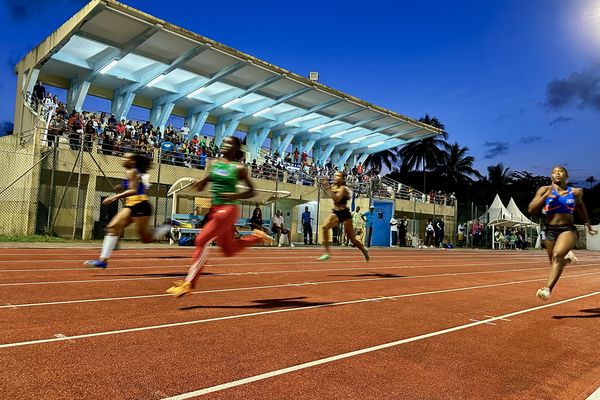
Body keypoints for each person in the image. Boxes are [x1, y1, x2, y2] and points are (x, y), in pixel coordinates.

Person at [167, 136, 273, 297]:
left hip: (229, 209)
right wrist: (200, 183)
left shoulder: (239, 168)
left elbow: (252, 191)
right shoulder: (214, 163)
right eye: (223, 142)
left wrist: (232, 195)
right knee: (228, 250)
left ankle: (189, 283)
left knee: (201, 240)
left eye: (228, 143)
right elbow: (208, 178)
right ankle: (256, 236)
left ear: (236, 148)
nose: (224, 145)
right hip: (215, 209)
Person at [83, 153, 174, 268]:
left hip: (140, 206)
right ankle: (103, 260)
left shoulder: (132, 171)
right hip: (131, 206)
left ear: (132, 161)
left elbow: (134, 190)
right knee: (112, 228)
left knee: (146, 239)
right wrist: (120, 188)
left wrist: (114, 196)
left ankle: (166, 227)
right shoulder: (132, 171)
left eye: (126, 158)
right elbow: (134, 186)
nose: (123, 159)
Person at [528, 165, 597, 300]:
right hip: (550, 230)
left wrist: (587, 222)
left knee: (557, 255)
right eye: (554, 172)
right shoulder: (544, 190)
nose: (557, 173)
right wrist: (545, 196)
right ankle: (566, 260)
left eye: (560, 171)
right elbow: (531, 209)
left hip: (568, 229)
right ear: (551, 177)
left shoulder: (576, 192)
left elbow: (580, 205)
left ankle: (547, 289)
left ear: (566, 176)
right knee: (554, 261)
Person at [317, 172, 369, 261]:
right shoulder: (334, 187)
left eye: (338, 176)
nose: (335, 177)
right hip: (336, 212)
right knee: (325, 227)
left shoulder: (343, 189)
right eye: (335, 175)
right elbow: (329, 194)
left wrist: (328, 187)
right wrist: (324, 185)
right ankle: (327, 253)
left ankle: (363, 249)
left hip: (344, 213)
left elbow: (337, 199)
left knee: (352, 239)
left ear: (342, 179)